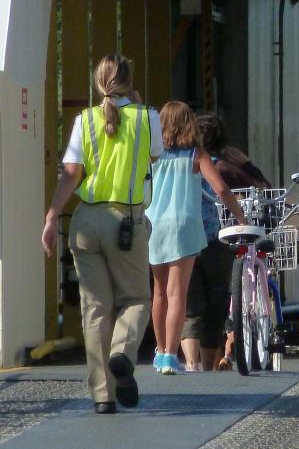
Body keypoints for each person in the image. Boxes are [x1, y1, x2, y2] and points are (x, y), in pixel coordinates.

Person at [41, 53, 162, 414]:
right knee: (137, 299)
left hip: (86, 222)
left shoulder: (85, 120)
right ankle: (122, 355)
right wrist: (140, 108)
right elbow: (154, 157)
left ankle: (102, 396)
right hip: (125, 219)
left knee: (96, 309)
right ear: (129, 82)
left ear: (98, 83)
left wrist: (50, 217)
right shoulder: (147, 118)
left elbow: (71, 173)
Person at [147, 102, 246, 376]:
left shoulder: (152, 154)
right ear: (189, 123)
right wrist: (240, 217)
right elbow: (221, 189)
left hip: (154, 224)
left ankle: (159, 350)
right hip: (184, 225)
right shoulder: (196, 154)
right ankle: (169, 355)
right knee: (177, 293)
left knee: (159, 292)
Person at [180, 113, 266, 371]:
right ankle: (208, 365)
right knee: (217, 299)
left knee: (191, 303)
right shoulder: (225, 168)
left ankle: (192, 364)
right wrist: (248, 165)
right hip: (217, 239)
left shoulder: (180, 162)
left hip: (184, 238)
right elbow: (261, 189)